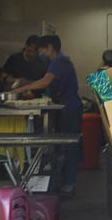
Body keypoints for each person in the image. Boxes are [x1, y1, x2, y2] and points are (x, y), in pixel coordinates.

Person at [6, 35, 82, 197]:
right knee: (65, 147)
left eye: (41, 49)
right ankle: (65, 182)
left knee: (68, 147)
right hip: (66, 107)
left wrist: (17, 90)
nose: (40, 53)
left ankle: (68, 185)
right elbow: (45, 81)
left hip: (70, 108)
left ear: (50, 47)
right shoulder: (59, 61)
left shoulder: (59, 61)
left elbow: (44, 82)